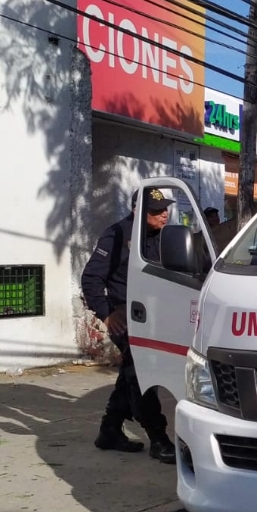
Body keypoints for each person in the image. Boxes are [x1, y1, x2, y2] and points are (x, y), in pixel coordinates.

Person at [80, 188, 177, 464]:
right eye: (156, 210)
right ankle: (158, 439)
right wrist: (108, 314)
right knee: (141, 377)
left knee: (130, 375)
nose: (164, 214)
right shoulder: (118, 235)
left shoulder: (163, 238)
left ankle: (109, 431)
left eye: (165, 208)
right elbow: (91, 278)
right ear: (137, 211)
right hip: (128, 318)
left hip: (156, 319)